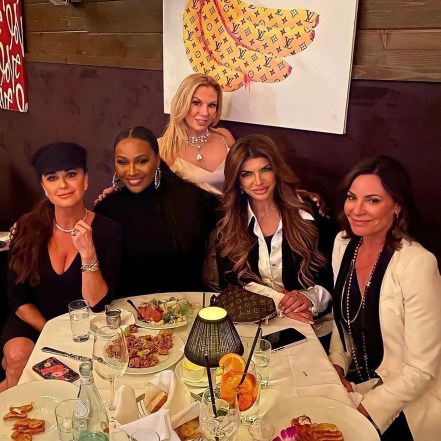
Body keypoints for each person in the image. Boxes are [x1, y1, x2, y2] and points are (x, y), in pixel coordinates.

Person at [329, 156, 441, 440]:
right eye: (352, 197)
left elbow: (421, 371)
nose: (357, 209)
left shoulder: (417, 263)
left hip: (407, 400)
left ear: (398, 205)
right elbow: (343, 321)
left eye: (373, 200)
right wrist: (336, 366)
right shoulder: (343, 244)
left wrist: (366, 410)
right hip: (359, 383)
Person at [0, 142, 122, 392]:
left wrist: (88, 253)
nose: (63, 185)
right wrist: (50, 332)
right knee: (17, 356)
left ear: (86, 179)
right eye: (53, 178)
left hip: (83, 329)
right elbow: (17, 299)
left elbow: (97, 304)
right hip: (35, 322)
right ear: (44, 186)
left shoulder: (109, 231)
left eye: (71, 175)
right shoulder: (26, 227)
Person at [216, 134, 335, 323]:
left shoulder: (308, 214)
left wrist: (308, 300)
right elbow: (230, 285)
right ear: (237, 180)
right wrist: (282, 304)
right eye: (247, 174)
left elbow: (334, 276)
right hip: (253, 321)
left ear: (277, 171)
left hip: (311, 322)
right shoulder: (228, 224)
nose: (258, 181)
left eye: (265, 169)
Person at [94, 126, 217, 297]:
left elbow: (232, 221)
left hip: (191, 309)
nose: (131, 171)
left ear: (157, 160)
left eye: (141, 161)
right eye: (122, 162)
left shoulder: (193, 200)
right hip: (129, 316)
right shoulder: (106, 210)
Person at [159, 73, 235, 195]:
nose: (205, 112)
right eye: (196, 103)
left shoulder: (225, 137)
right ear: (182, 103)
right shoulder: (162, 147)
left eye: (211, 105)